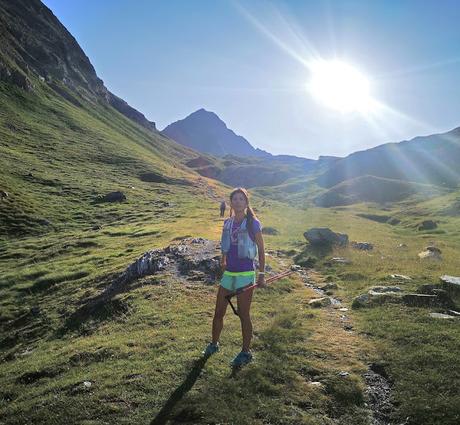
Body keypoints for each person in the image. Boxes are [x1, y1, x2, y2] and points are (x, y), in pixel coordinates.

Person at [203, 187, 266, 367]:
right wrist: (222, 261)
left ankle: (246, 352)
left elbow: (261, 249)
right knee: (218, 312)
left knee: (244, 314)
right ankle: (214, 344)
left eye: (241, 199)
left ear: (246, 203)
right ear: (231, 202)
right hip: (229, 274)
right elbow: (225, 246)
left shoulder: (253, 223)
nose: (238, 202)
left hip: (246, 274)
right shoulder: (228, 223)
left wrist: (261, 274)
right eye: (235, 199)